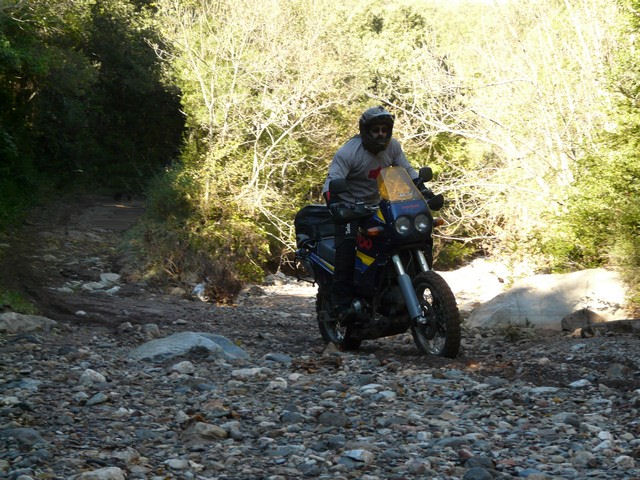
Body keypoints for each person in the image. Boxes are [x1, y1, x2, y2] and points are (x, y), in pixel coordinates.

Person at [321, 105, 420, 319]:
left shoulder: (393, 147)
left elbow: (407, 170)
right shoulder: (349, 152)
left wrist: (424, 189)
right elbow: (331, 182)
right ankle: (341, 305)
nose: (381, 134)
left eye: (385, 130)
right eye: (376, 130)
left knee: (404, 237)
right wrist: (335, 205)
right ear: (365, 131)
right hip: (349, 209)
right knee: (347, 248)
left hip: (378, 205)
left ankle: (405, 286)